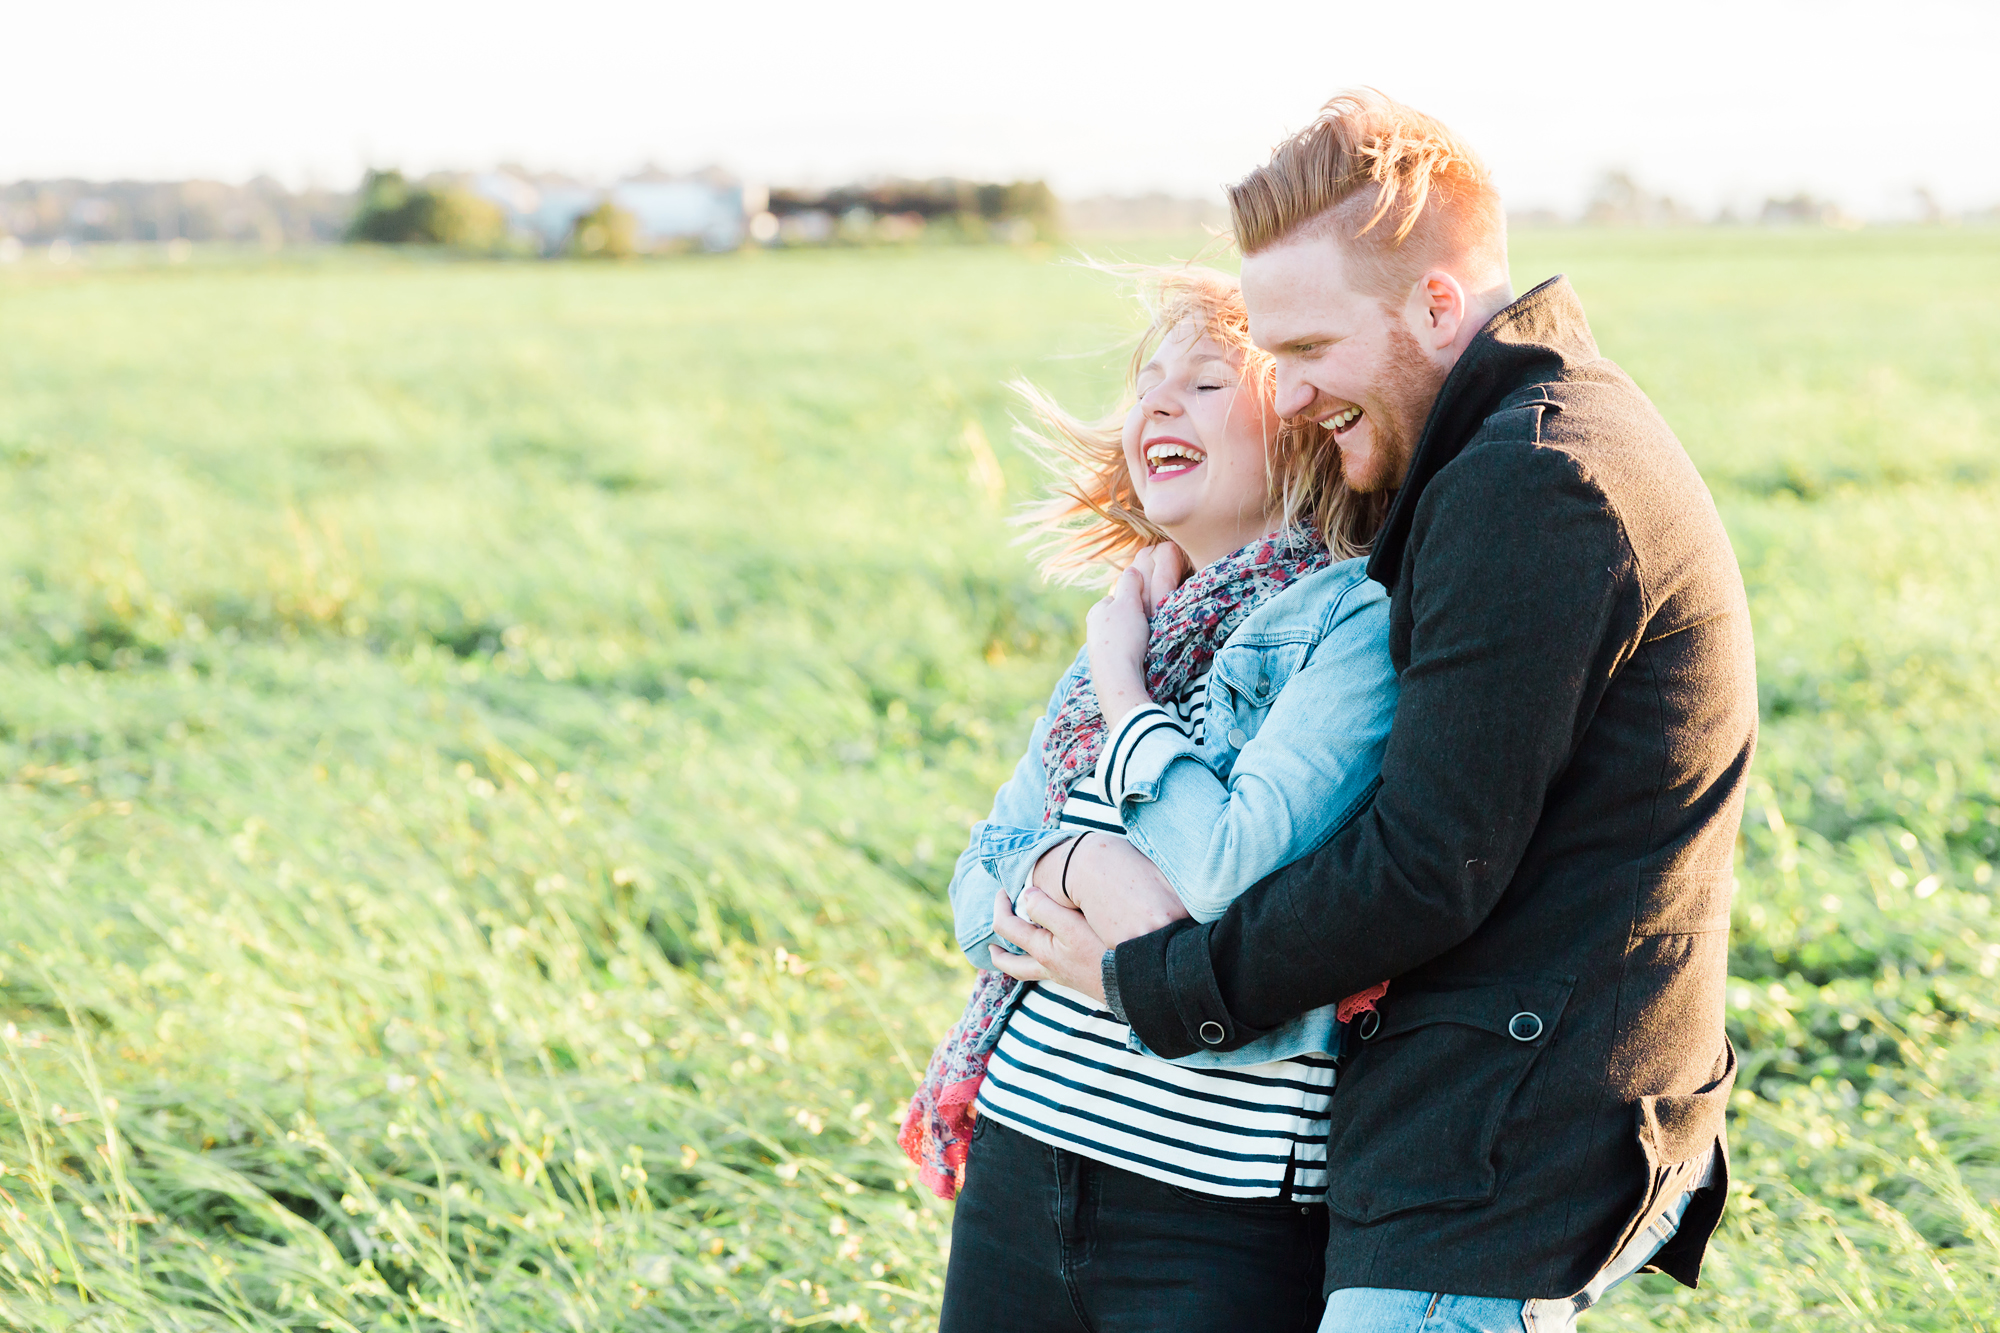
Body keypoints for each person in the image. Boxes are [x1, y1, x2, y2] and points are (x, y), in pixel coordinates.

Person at [993, 93, 1757, 1333]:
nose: (1283, 396)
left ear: (1436, 306)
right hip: (1478, 1133)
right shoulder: (1523, 444)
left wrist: (1156, 974)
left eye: (1302, 350)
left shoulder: (1533, 483)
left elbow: (1421, 868)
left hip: (1489, 1153)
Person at [907, 265, 1397, 1333]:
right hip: (1021, 1154)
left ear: (1301, 422)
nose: (1158, 405)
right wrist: (1076, 866)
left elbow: (1215, 875)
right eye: (1148, 384)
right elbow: (970, 889)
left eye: (1209, 383)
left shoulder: (1341, 628)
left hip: (1212, 1210)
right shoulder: (1133, 612)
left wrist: (1126, 691)